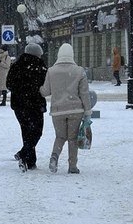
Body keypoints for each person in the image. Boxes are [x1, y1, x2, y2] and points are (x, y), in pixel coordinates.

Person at [40, 43, 91, 174]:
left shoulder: (51, 71)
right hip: (76, 110)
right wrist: (88, 111)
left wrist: (38, 87)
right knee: (73, 139)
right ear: (72, 55)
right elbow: (84, 93)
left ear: (59, 55)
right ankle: (72, 166)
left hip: (58, 111)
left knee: (60, 136)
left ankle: (54, 156)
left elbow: (45, 92)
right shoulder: (79, 71)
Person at [6, 43, 48, 171]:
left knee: (26, 132)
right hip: (35, 104)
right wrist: (33, 91)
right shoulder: (40, 66)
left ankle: (29, 159)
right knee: (37, 131)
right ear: (36, 54)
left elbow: (9, 84)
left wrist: (20, 91)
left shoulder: (16, 66)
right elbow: (45, 85)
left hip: (19, 105)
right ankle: (25, 156)